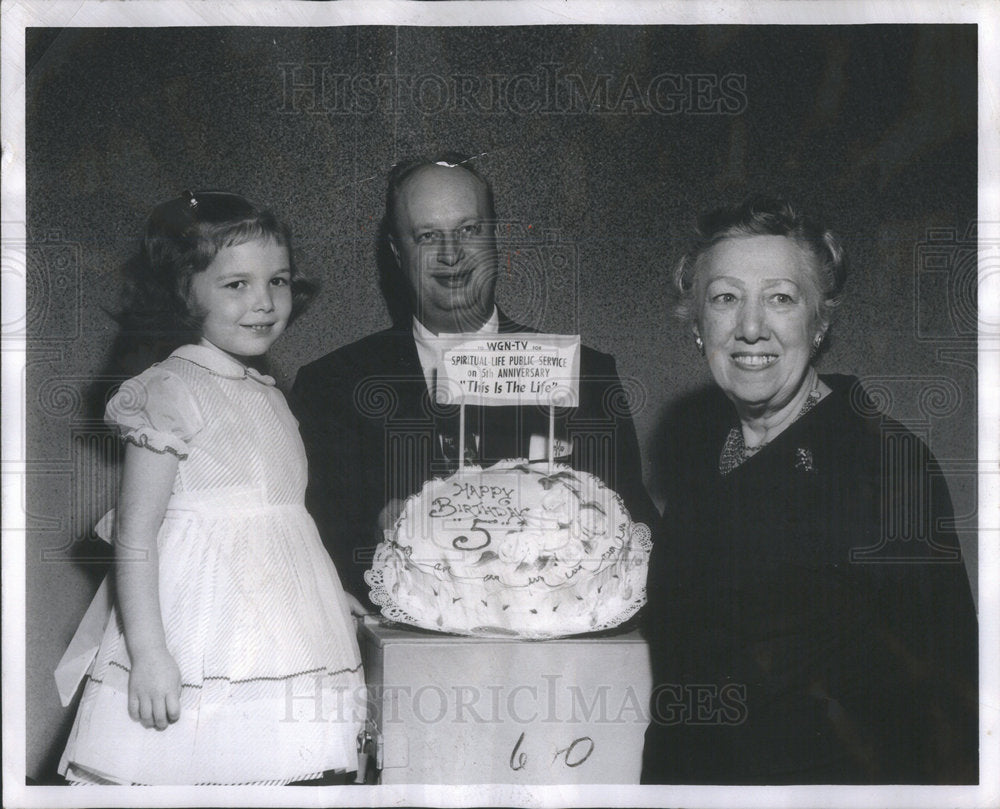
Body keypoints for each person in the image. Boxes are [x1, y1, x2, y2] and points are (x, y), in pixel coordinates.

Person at [641, 197, 978, 784]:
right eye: (725, 298)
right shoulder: (702, 463)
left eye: (780, 298)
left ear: (818, 324)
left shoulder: (885, 465)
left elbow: (949, 703)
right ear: (697, 326)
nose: (750, 327)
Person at [56, 192, 364, 785]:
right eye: (235, 285)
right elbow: (136, 532)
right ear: (182, 291)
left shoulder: (267, 391)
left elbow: (281, 519)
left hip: (280, 623)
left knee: (279, 765)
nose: (264, 303)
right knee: (190, 764)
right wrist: (148, 654)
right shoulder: (170, 388)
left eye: (277, 281)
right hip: (201, 624)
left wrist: (323, 591)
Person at [291, 154, 657, 606]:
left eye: (468, 230)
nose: (450, 255)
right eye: (427, 236)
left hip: (561, 658)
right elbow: (315, 549)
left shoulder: (587, 375)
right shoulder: (334, 386)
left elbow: (635, 534)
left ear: (495, 238)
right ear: (396, 251)